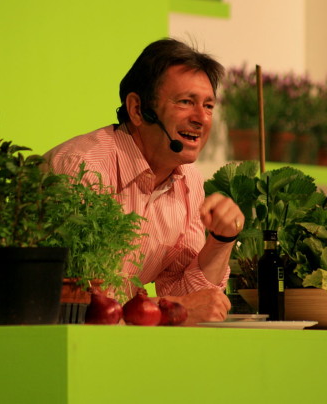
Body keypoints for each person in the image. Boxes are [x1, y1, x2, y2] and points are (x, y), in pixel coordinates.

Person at [44, 38, 245, 325]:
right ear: (138, 110)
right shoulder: (81, 169)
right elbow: (75, 304)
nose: (201, 118)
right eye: (186, 102)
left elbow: (187, 295)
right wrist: (179, 307)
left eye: (209, 105)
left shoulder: (190, 182)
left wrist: (222, 239)